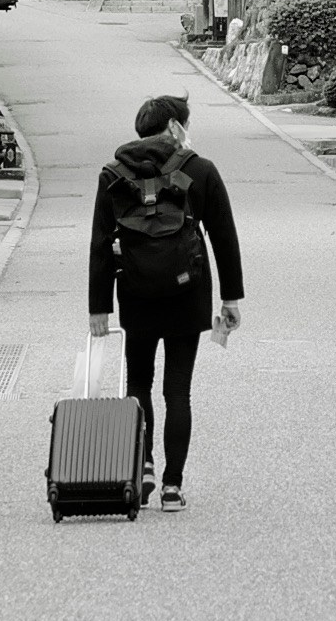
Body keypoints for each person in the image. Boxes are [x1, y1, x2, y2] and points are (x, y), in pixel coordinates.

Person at [77, 89, 252, 507]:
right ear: (175, 127)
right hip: (186, 292)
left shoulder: (114, 174)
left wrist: (98, 306)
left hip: (135, 292)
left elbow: (101, 243)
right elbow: (224, 237)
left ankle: (146, 466)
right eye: (186, 125)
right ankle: (173, 487)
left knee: (138, 382)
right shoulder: (200, 170)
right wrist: (231, 298)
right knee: (178, 389)